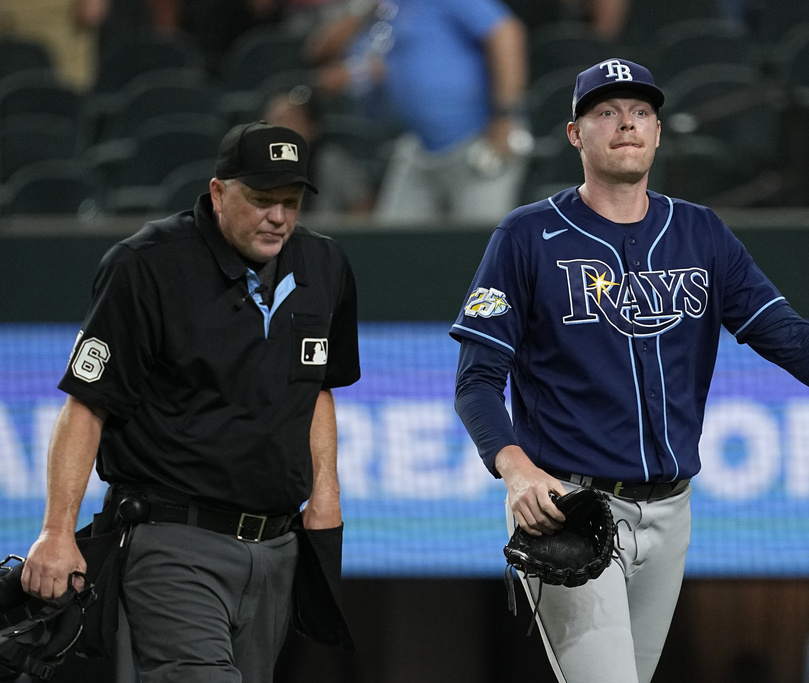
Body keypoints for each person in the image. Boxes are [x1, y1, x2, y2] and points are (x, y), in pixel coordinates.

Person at [451, 58, 809, 683]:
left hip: (672, 509)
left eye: (640, 113)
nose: (626, 124)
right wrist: (515, 469)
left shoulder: (699, 231)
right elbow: (476, 380)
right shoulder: (526, 235)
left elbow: (784, 333)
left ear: (658, 133)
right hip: (569, 507)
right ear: (575, 134)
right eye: (605, 111)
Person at [20, 121, 360, 681]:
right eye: (263, 200)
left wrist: (326, 499)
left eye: (292, 202)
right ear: (219, 192)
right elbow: (87, 405)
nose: (279, 217)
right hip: (174, 543)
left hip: (276, 548)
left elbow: (319, 388)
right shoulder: (145, 265)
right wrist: (58, 530)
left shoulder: (325, 266)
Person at [305, 0, 532, 225]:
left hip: (480, 144)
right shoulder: (384, 10)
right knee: (394, 244)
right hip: (419, 146)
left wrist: (505, 116)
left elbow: (506, 32)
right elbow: (318, 52)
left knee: (482, 246)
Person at [262, 84, 376, 214]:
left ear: (312, 127)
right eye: (272, 121)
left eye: (289, 120)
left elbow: (363, 207)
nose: (280, 128)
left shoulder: (332, 161)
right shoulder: (253, 168)